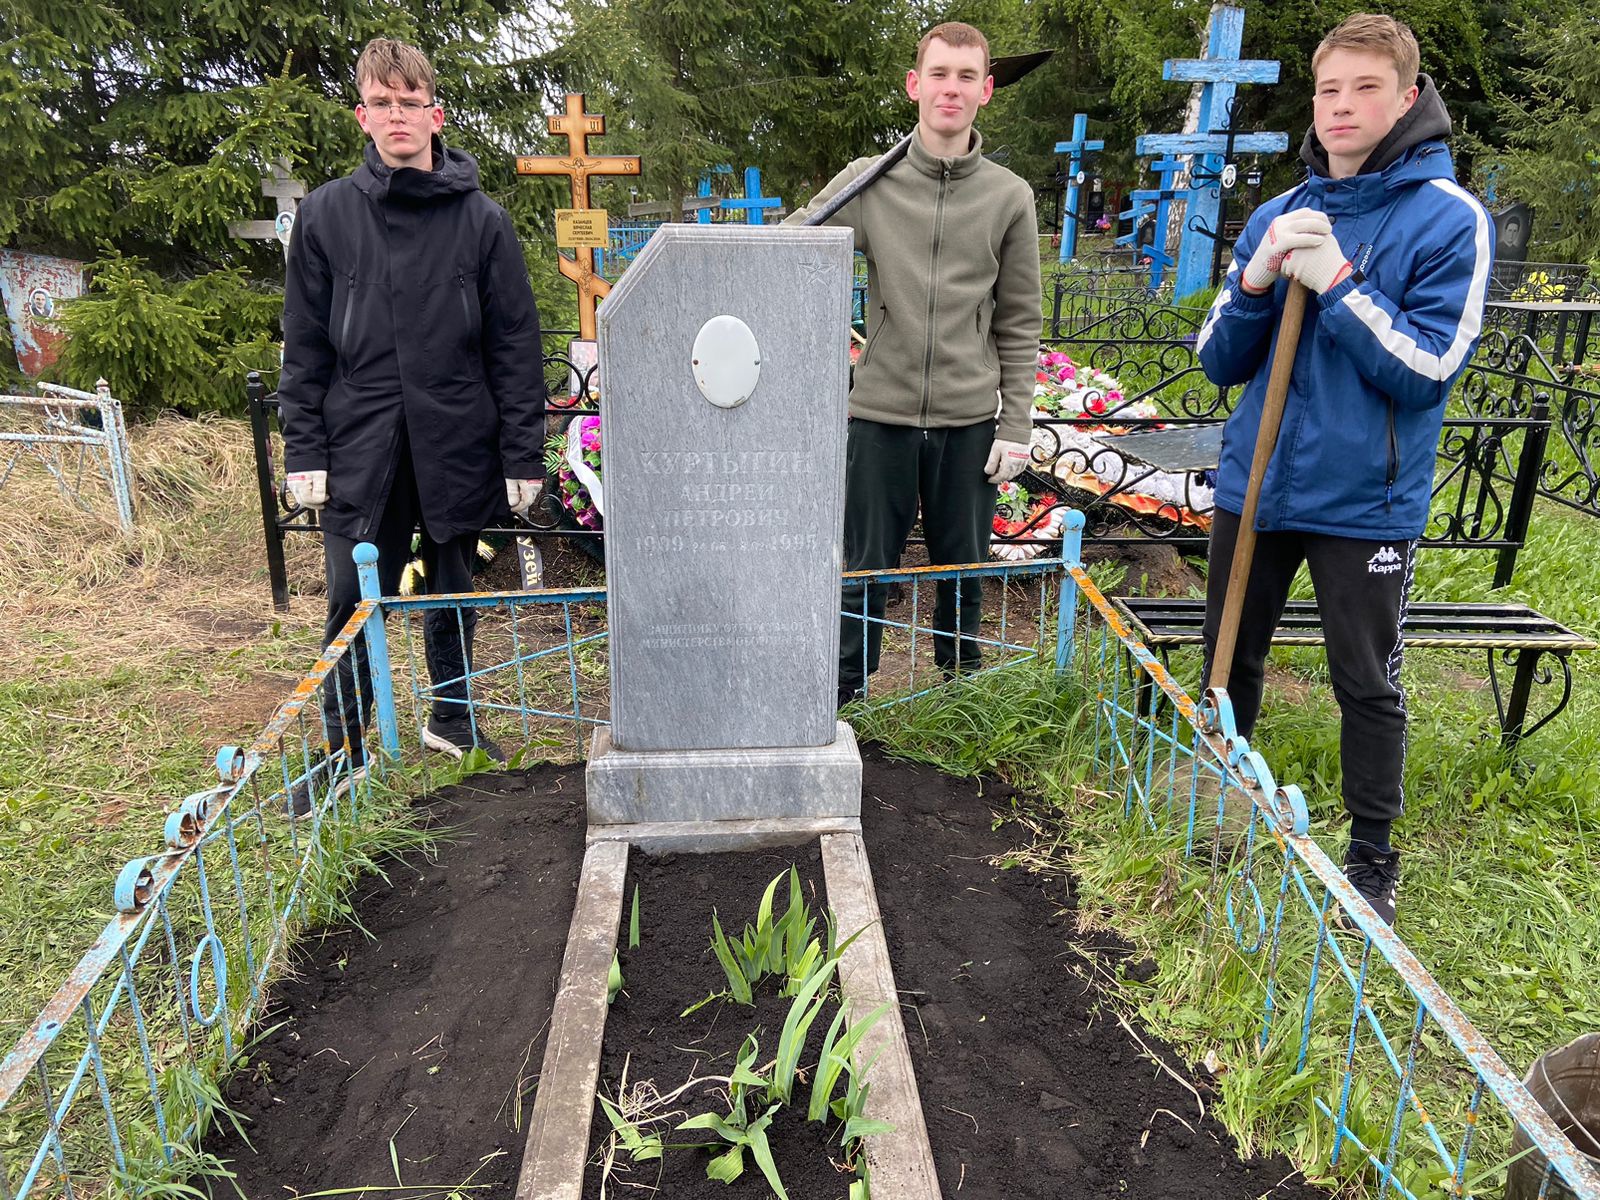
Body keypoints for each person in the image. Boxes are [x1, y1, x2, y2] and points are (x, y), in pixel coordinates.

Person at [1196, 14, 1493, 924]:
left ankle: (1372, 854)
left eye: (1366, 89)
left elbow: (1426, 368)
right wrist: (1254, 285)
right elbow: (1218, 360)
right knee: (1227, 659)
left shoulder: (1449, 220)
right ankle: (1221, 805)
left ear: (1407, 99)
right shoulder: (1276, 215)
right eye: (1329, 90)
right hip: (1260, 483)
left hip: (1366, 500)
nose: (1342, 107)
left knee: (1364, 678)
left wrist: (1341, 284)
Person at [279, 37, 546, 782]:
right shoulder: (328, 217)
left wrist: (523, 454)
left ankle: (452, 720)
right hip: (362, 439)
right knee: (351, 595)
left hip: (457, 433)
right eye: (382, 104)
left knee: (453, 587)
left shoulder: (482, 221)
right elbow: (304, 349)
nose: (398, 117)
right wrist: (304, 448)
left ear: (436, 114)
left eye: (410, 103)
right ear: (362, 116)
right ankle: (345, 745)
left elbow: (514, 346)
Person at [787, 21, 1042, 707]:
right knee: (866, 565)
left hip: (969, 421)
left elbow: (1019, 320)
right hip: (880, 413)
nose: (950, 89)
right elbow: (790, 250)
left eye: (965, 77)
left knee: (963, 565)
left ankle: (960, 687)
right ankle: (845, 689)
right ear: (914, 85)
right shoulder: (869, 184)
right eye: (938, 74)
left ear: (986, 90)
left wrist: (1014, 423)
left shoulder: (1007, 197)